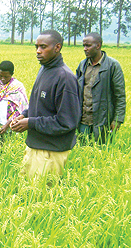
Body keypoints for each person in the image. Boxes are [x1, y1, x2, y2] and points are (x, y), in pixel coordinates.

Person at [11, 30, 80, 184]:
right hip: (36, 146)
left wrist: (31, 123)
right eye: (36, 46)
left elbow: (66, 122)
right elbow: (42, 105)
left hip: (50, 151)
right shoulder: (45, 69)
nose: (38, 51)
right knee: (26, 193)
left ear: (57, 47)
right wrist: (25, 115)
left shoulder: (65, 78)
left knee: (40, 198)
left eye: (43, 47)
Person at [76, 32, 126, 143]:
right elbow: (76, 92)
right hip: (83, 120)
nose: (85, 49)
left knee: (101, 153)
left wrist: (117, 120)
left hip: (103, 121)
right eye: (84, 46)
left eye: (88, 45)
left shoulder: (112, 66)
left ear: (98, 45)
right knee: (83, 153)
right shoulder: (82, 65)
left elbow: (120, 96)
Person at [0, 60, 28, 135]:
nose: (3, 79)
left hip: (11, 126)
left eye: (6, 76)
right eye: (0, 76)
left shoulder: (17, 87)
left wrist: (7, 125)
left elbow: (20, 109)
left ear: (12, 74)